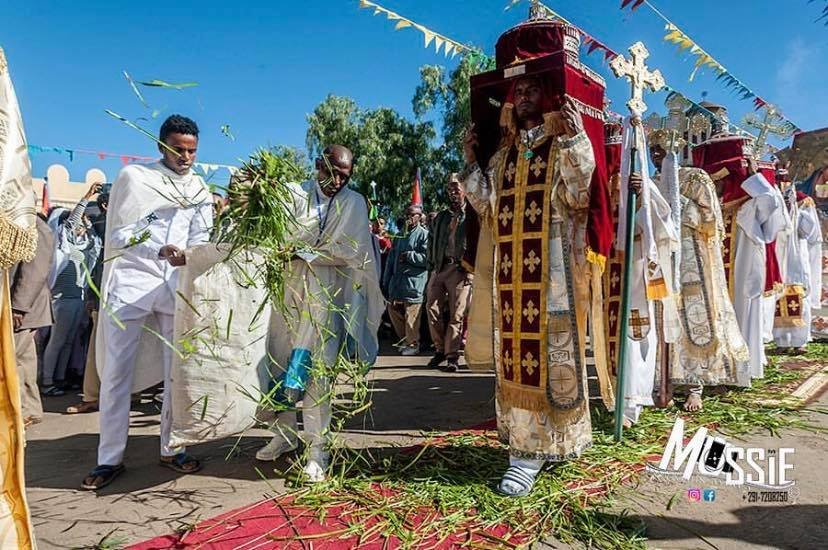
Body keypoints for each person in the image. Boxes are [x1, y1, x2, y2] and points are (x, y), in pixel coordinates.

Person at [461, 75, 596, 496]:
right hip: (511, 280)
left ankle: (554, 444)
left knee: (554, 361)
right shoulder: (503, 157)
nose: (522, 97)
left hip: (552, 275)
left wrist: (576, 139)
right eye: (517, 92)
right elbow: (486, 207)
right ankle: (524, 455)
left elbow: (580, 196)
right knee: (517, 363)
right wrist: (470, 160)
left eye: (531, 90)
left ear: (548, 96)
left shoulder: (560, 146)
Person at [81, 114, 213, 490]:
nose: (185, 157)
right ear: (160, 146)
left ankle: (173, 448)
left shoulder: (200, 189)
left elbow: (201, 236)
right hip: (132, 284)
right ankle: (109, 459)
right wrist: (158, 247)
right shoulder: (137, 179)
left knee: (177, 373)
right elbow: (121, 234)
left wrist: (191, 254)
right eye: (178, 149)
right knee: (117, 374)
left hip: (174, 286)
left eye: (192, 151)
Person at [255, 145, 383, 482]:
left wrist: (304, 252)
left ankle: (317, 450)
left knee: (317, 372)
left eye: (345, 176)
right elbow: (274, 238)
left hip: (325, 299)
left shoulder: (354, 203)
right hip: (287, 293)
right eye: (332, 173)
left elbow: (353, 251)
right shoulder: (293, 194)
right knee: (278, 364)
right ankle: (284, 435)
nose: (337, 181)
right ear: (318, 165)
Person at [648, 136, 750, 412]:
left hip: (693, 260)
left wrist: (675, 203)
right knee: (662, 319)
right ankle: (664, 382)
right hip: (662, 260)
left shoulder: (696, 177)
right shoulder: (651, 181)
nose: (656, 155)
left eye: (660, 149)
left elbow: (711, 220)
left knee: (697, 320)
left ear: (675, 148)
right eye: (652, 151)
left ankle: (695, 387)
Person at [696, 137, 788, 380]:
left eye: (719, 178)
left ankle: (740, 372)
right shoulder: (709, 207)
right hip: (713, 276)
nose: (716, 184)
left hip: (741, 277)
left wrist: (753, 176)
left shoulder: (747, 207)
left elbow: (771, 205)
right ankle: (716, 371)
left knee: (741, 315)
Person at [40, 184, 103, 397]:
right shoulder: (63, 242)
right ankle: (47, 381)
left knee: (68, 341)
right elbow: (71, 222)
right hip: (63, 299)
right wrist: (87, 197)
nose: (82, 224)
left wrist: (89, 224)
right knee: (57, 341)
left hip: (78, 298)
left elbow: (94, 242)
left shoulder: (84, 244)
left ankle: (60, 378)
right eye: (79, 221)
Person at [425, 174, 474, 372]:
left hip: (461, 270)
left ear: (464, 190)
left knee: (457, 314)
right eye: (449, 189)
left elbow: (477, 243)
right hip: (440, 268)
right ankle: (439, 350)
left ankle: (452, 356)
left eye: (456, 188)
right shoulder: (441, 217)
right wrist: (431, 268)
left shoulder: (472, 215)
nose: (453, 192)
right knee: (432, 308)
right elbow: (431, 242)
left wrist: (471, 270)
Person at [10, 206, 54, 426]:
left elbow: (36, 270)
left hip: (24, 307)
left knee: (10, 359)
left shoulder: (36, 226)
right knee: (23, 360)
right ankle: (30, 409)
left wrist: (19, 307)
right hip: (20, 306)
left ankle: (17, 411)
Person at [67, 190, 109, 414]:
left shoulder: (136, 223)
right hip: (103, 297)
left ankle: (128, 394)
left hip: (129, 298)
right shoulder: (102, 225)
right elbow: (72, 225)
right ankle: (93, 396)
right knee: (96, 348)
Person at [773, 172, 822, 352]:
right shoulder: (772, 200)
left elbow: (809, 232)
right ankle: (781, 341)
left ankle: (800, 340)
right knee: (778, 295)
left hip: (797, 255)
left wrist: (796, 211)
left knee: (800, 295)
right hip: (778, 253)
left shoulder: (804, 201)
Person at [382, 204, 429, 355]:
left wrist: (410, 256)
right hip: (397, 282)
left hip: (414, 282)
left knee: (412, 314)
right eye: (407, 215)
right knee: (393, 310)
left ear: (419, 217)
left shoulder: (424, 235)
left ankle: (413, 344)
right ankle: (405, 339)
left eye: (413, 215)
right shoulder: (400, 235)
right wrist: (386, 280)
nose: (409, 218)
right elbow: (391, 260)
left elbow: (427, 258)